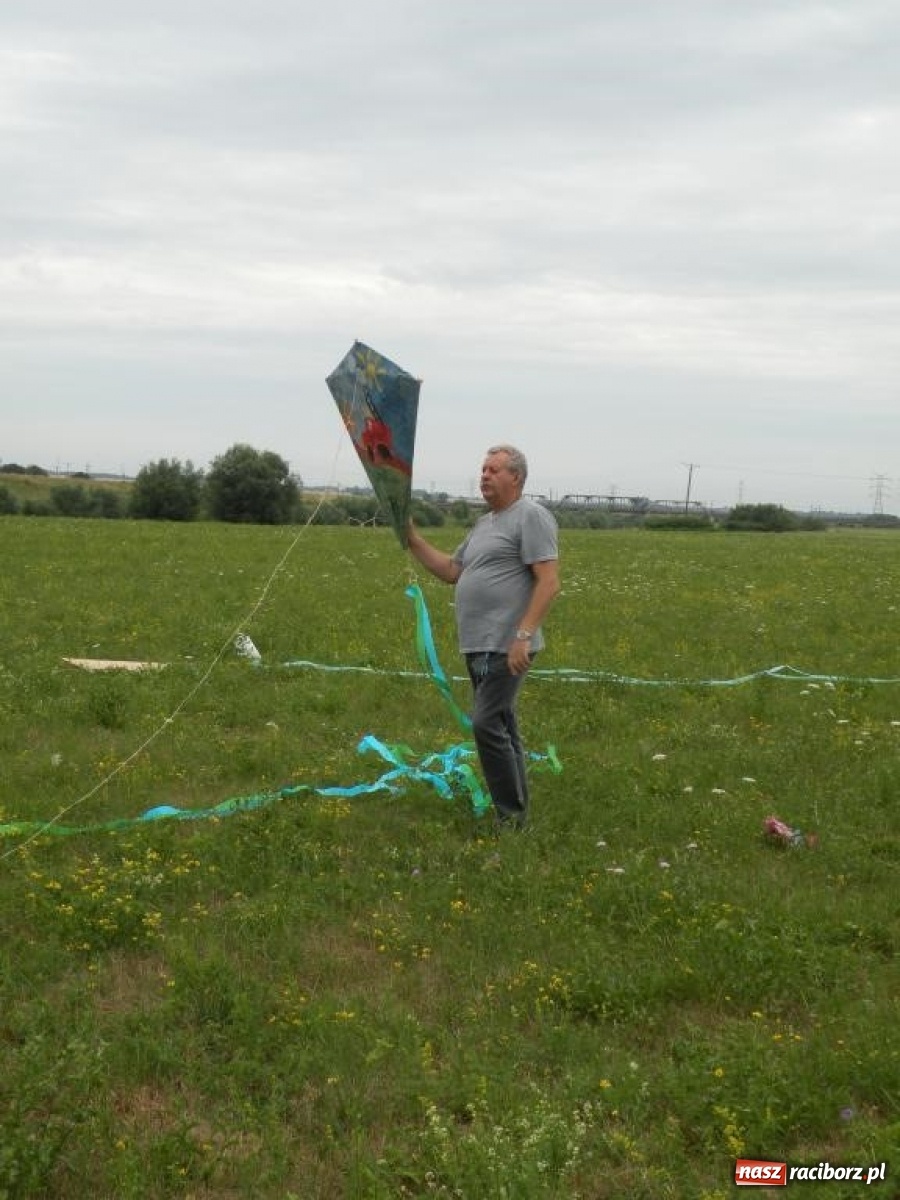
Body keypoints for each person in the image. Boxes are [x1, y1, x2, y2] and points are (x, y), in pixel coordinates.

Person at [407, 445, 560, 827]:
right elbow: (452, 571)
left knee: (486, 722)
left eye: (494, 469)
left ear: (517, 478)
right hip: (478, 643)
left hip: (506, 643)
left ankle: (510, 816)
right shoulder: (485, 523)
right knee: (502, 724)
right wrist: (411, 538)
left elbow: (549, 582)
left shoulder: (531, 516)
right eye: (482, 469)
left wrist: (522, 637)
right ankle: (517, 810)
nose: (484, 475)